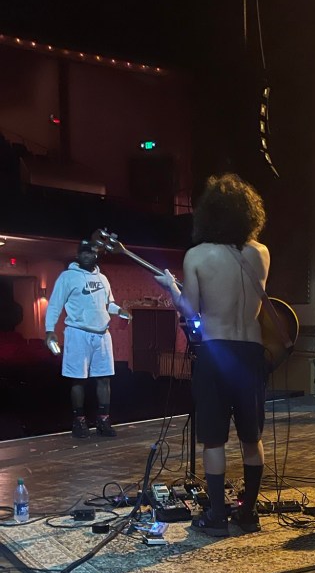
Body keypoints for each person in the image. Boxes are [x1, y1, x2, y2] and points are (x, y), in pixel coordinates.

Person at [153, 173, 270, 538]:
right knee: (252, 437)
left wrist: (171, 287)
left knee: (214, 438)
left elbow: (191, 311)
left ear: (208, 214)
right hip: (251, 351)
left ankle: (217, 515)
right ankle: (248, 513)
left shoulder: (198, 255)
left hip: (217, 350)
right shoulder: (261, 253)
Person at [44, 237, 131, 439]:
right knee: (78, 379)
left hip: (102, 334)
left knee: (104, 378)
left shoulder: (103, 279)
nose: (86, 255)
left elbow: (108, 304)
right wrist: (49, 330)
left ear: (96, 254)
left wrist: (120, 311)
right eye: (83, 252)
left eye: (90, 252)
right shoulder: (67, 277)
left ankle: (103, 420)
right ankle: (79, 421)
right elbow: (55, 305)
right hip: (78, 333)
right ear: (77, 255)